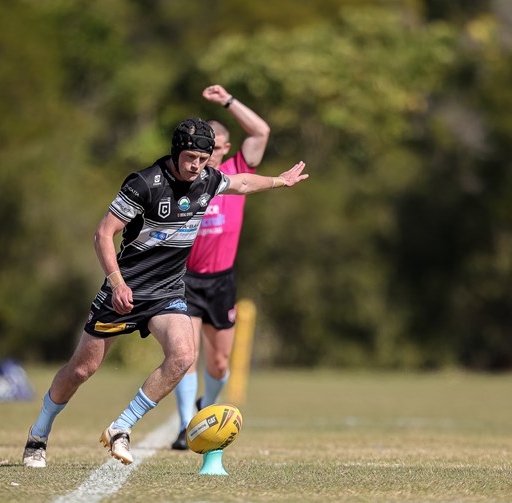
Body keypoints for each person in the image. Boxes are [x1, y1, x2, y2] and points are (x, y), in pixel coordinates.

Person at [22, 117, 308, 467]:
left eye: (204, 160)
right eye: (191, 158)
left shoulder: (207, 181)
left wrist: (280, 180)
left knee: (184, 356)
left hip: (167, 292)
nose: (197, 166)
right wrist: (116, 283)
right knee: (83, 369)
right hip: (124, 291)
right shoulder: (144, 184)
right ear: (176, 152)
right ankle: (39, 433)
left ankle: (121, 427)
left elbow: (242, 182)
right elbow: (103, 234)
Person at [170, 85, 270, 450]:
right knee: (185, 355)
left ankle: (205, 409)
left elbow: (261, 132)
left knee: (219, 361)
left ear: (225, 148)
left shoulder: (235, 172)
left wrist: (228, 101)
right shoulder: (189, 177)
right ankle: (185, 426)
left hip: (222, 279)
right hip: (185, 278)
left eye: (215, 148)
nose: (208, 155)